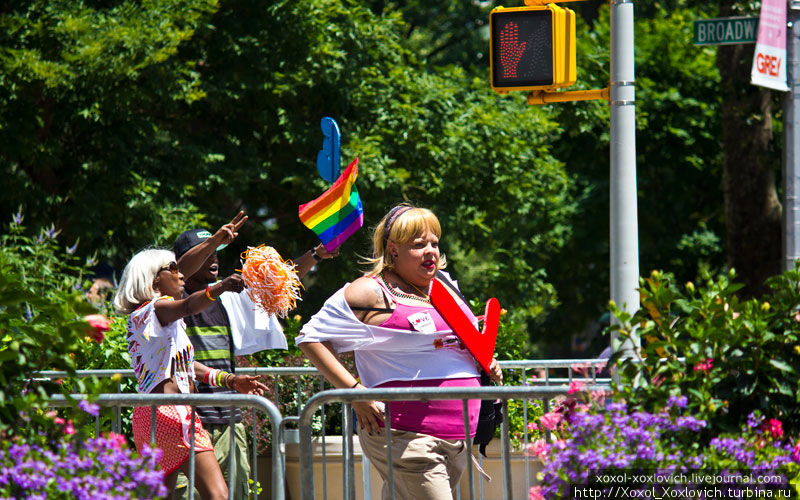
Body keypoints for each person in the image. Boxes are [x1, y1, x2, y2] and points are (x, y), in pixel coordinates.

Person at [297, 203, 503, 500]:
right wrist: (356, 393)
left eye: (434, 242)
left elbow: (457, 343)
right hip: (407, 436)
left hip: (459, 438)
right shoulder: (371, 291)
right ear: (393, 250)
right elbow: (310, 337)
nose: (430, 251)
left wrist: (485, 362)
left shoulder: (444, 286)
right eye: (418, 245)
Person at [172, 211, 338, 499]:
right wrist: (213, 241)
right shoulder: (171, 300)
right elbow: (180, 271)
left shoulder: (226, 293)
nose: (214, 259)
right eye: (206, 252)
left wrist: (317, 254)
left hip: (229, 418)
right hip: (190, 418)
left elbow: (281, 279)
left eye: (217, 252)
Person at [113, 222, 268, 500]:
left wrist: (229, 379)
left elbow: (186, 367)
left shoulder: (158, 319)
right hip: (167, 416)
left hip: (168, 415)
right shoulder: (155, 310)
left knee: (168, 495)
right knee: (214, 496)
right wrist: (220, 287)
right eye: (172, 271)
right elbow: (187, 305)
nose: (181, 275)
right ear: (153, 281)